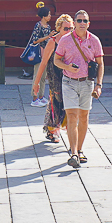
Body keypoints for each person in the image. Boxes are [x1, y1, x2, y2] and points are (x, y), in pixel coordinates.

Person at [54, 9, 104, 169]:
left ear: (89, 23)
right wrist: (67, 66)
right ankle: (74, 153)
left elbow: (100, 63)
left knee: (83, 116)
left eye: (85, 21)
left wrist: (99, 84)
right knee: (72, 116)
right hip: (69, 81)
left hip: (87, 82)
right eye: (79, 20)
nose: (82, 23)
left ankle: (80, 149)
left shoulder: (94, 40)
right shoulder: (65, 40)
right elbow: (56, 60)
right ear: (74, 23)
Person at [33, 14, 73, 143]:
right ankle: (52, 129)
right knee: (57, 101)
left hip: (69, 74)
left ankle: (67, 125)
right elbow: (44, 62)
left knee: (70, 101)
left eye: (71, 29)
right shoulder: (52, 41)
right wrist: (37, 82)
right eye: (66, 29)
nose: (69, 31)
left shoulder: (74, 40)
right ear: (59, 28)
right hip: (55, 75)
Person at [23, 6, 53, 90]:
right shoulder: (38, 25)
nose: (50, 16)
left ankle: (41, 95)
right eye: (49, 14)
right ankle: (35, 96)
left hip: (46, 52)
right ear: (44, 16)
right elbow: (35, 40)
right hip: (39, 52)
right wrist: (48, 36)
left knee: (44, 76)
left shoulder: (48, 26)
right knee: (37, 75)